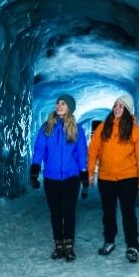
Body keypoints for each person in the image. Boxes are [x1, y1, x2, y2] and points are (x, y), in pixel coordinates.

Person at [88, 94, 139, 263]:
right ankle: (109, 241)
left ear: (127, 110)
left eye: (121, 106)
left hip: (128, 178)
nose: (117, 109)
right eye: (116, 106)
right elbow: (93, 150)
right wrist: (91, 172)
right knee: (108, 212)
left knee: (128, 212)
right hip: (106, 178)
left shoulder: (135, 130)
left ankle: (132, 245)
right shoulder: (103, 128)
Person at [30, 94, 89, 261]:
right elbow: (39, 150)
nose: (59, 105)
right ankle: (59, 245)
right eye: (57, 103)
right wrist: (34, 170)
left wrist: (84, 175)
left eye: (63, 103)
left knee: (68, 211)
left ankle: (69, 246)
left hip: (71, 177)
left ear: (69, 107)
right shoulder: (46, 128)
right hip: (51, 177)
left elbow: (81, 154)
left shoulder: (77, 129)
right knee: (56, 212)